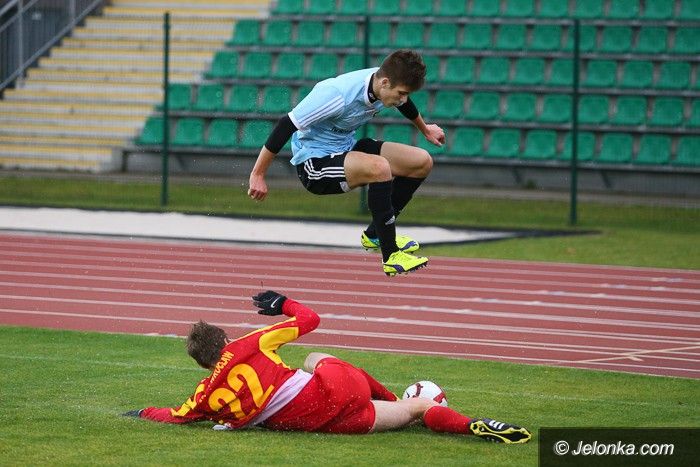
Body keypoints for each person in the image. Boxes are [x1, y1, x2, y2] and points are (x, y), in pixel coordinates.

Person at [123, 291, 532, 444]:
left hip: (321, 422)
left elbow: (173, 416)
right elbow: (311, 319)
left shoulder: (204, 395)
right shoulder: (248, 343)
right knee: (314, 357)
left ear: (201, 362)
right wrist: (283, 303)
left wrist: (140, 411)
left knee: (414, 412)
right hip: (332, 388)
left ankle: (432, 414)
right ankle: (464, 421)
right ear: (225, 338)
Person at [247, 50, 446, 276]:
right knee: (380, 167)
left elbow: (405, 104)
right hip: (314, 164)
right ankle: (391, 255)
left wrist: (425, 129)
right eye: (401, 93)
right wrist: (258, 174)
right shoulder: (336, 94)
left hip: (346, 149)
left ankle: (375, 234)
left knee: (421, 161)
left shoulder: (383, 82)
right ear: (385, 82)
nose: (402, 99)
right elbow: (286, 125)